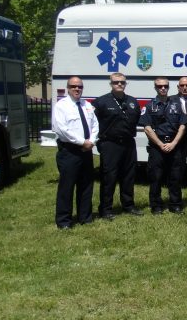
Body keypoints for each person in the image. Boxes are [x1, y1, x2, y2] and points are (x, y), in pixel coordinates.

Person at [91, 72, 141, 219]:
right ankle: (106, 209)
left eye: (122, 82)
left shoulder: (132, 101)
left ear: (126, 84)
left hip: (128, 143)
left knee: (129, 176)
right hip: (110, 144)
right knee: (109, 177)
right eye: (116, 82)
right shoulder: (101, 102)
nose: (119, 84)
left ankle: (128, 205)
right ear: (110, 84)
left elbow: (137, 119)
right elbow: (93, 123)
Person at [52, 76, 99, 229]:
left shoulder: (87, 105)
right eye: (73, 86)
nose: (77, 89)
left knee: (86, 185)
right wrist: (82, 142)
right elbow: (61, 129)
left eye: (79, 86)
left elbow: (95, 125)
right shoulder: (61, 106)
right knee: (67, 186)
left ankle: (85, 217)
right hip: (69, 151)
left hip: (86, 151)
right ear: (68, 88)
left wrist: (91, 141)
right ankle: (64, 221)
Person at [139, 77, 187, 214]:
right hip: (156, 146)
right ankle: (156, 205)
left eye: (165, 86)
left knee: (175, 176)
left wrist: (174, 143)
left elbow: (182, 126)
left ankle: (175, 204)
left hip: (174, 144)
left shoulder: (177, 104)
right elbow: (147, 128)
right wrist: (160, 144)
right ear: (155, 88)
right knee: (156, 176)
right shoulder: (149, 106)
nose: (163, 88)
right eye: (160, 86)